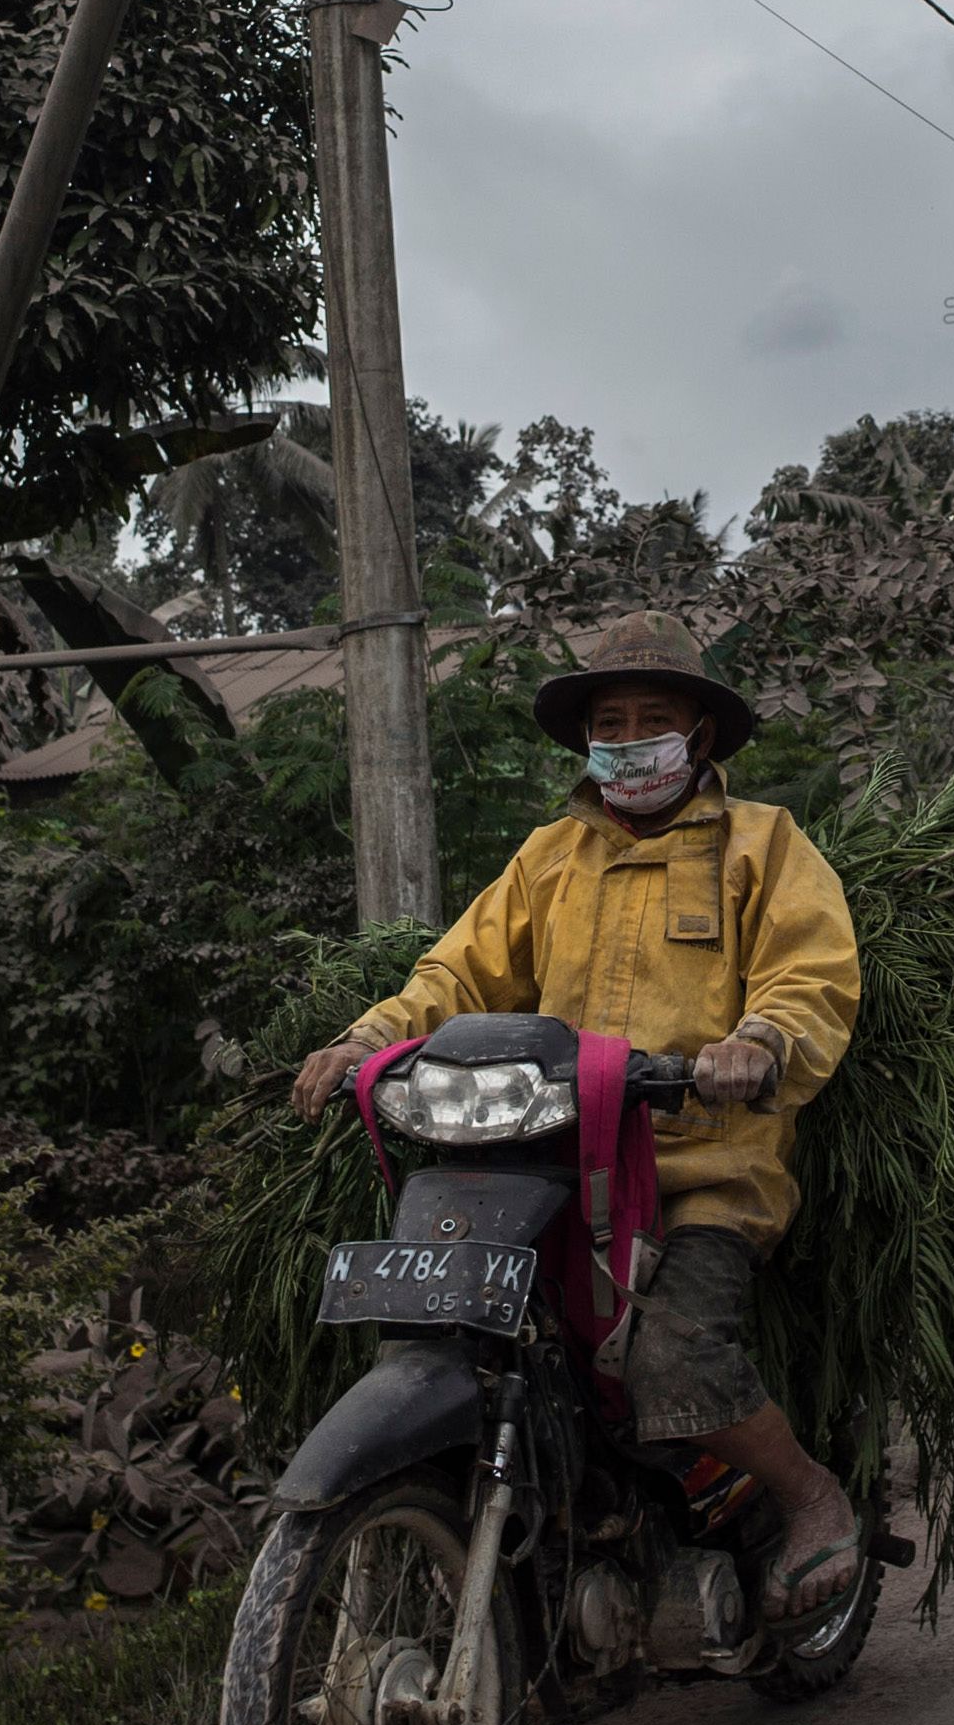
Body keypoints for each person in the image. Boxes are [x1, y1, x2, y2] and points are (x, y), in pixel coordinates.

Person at [292, 612, 867, 1622]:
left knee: (672, 1355)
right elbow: (456, 972)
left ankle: (808, 1493)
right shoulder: (548, 856)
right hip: (543, 1161)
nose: (631, 737)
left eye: (655, 718)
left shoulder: (763, 844)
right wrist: (366, 1038)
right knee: (458, 1331)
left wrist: (759, 1043)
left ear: (696, 738)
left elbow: (809, 975)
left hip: (700, 1167)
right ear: (587, 739)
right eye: (612, 719)